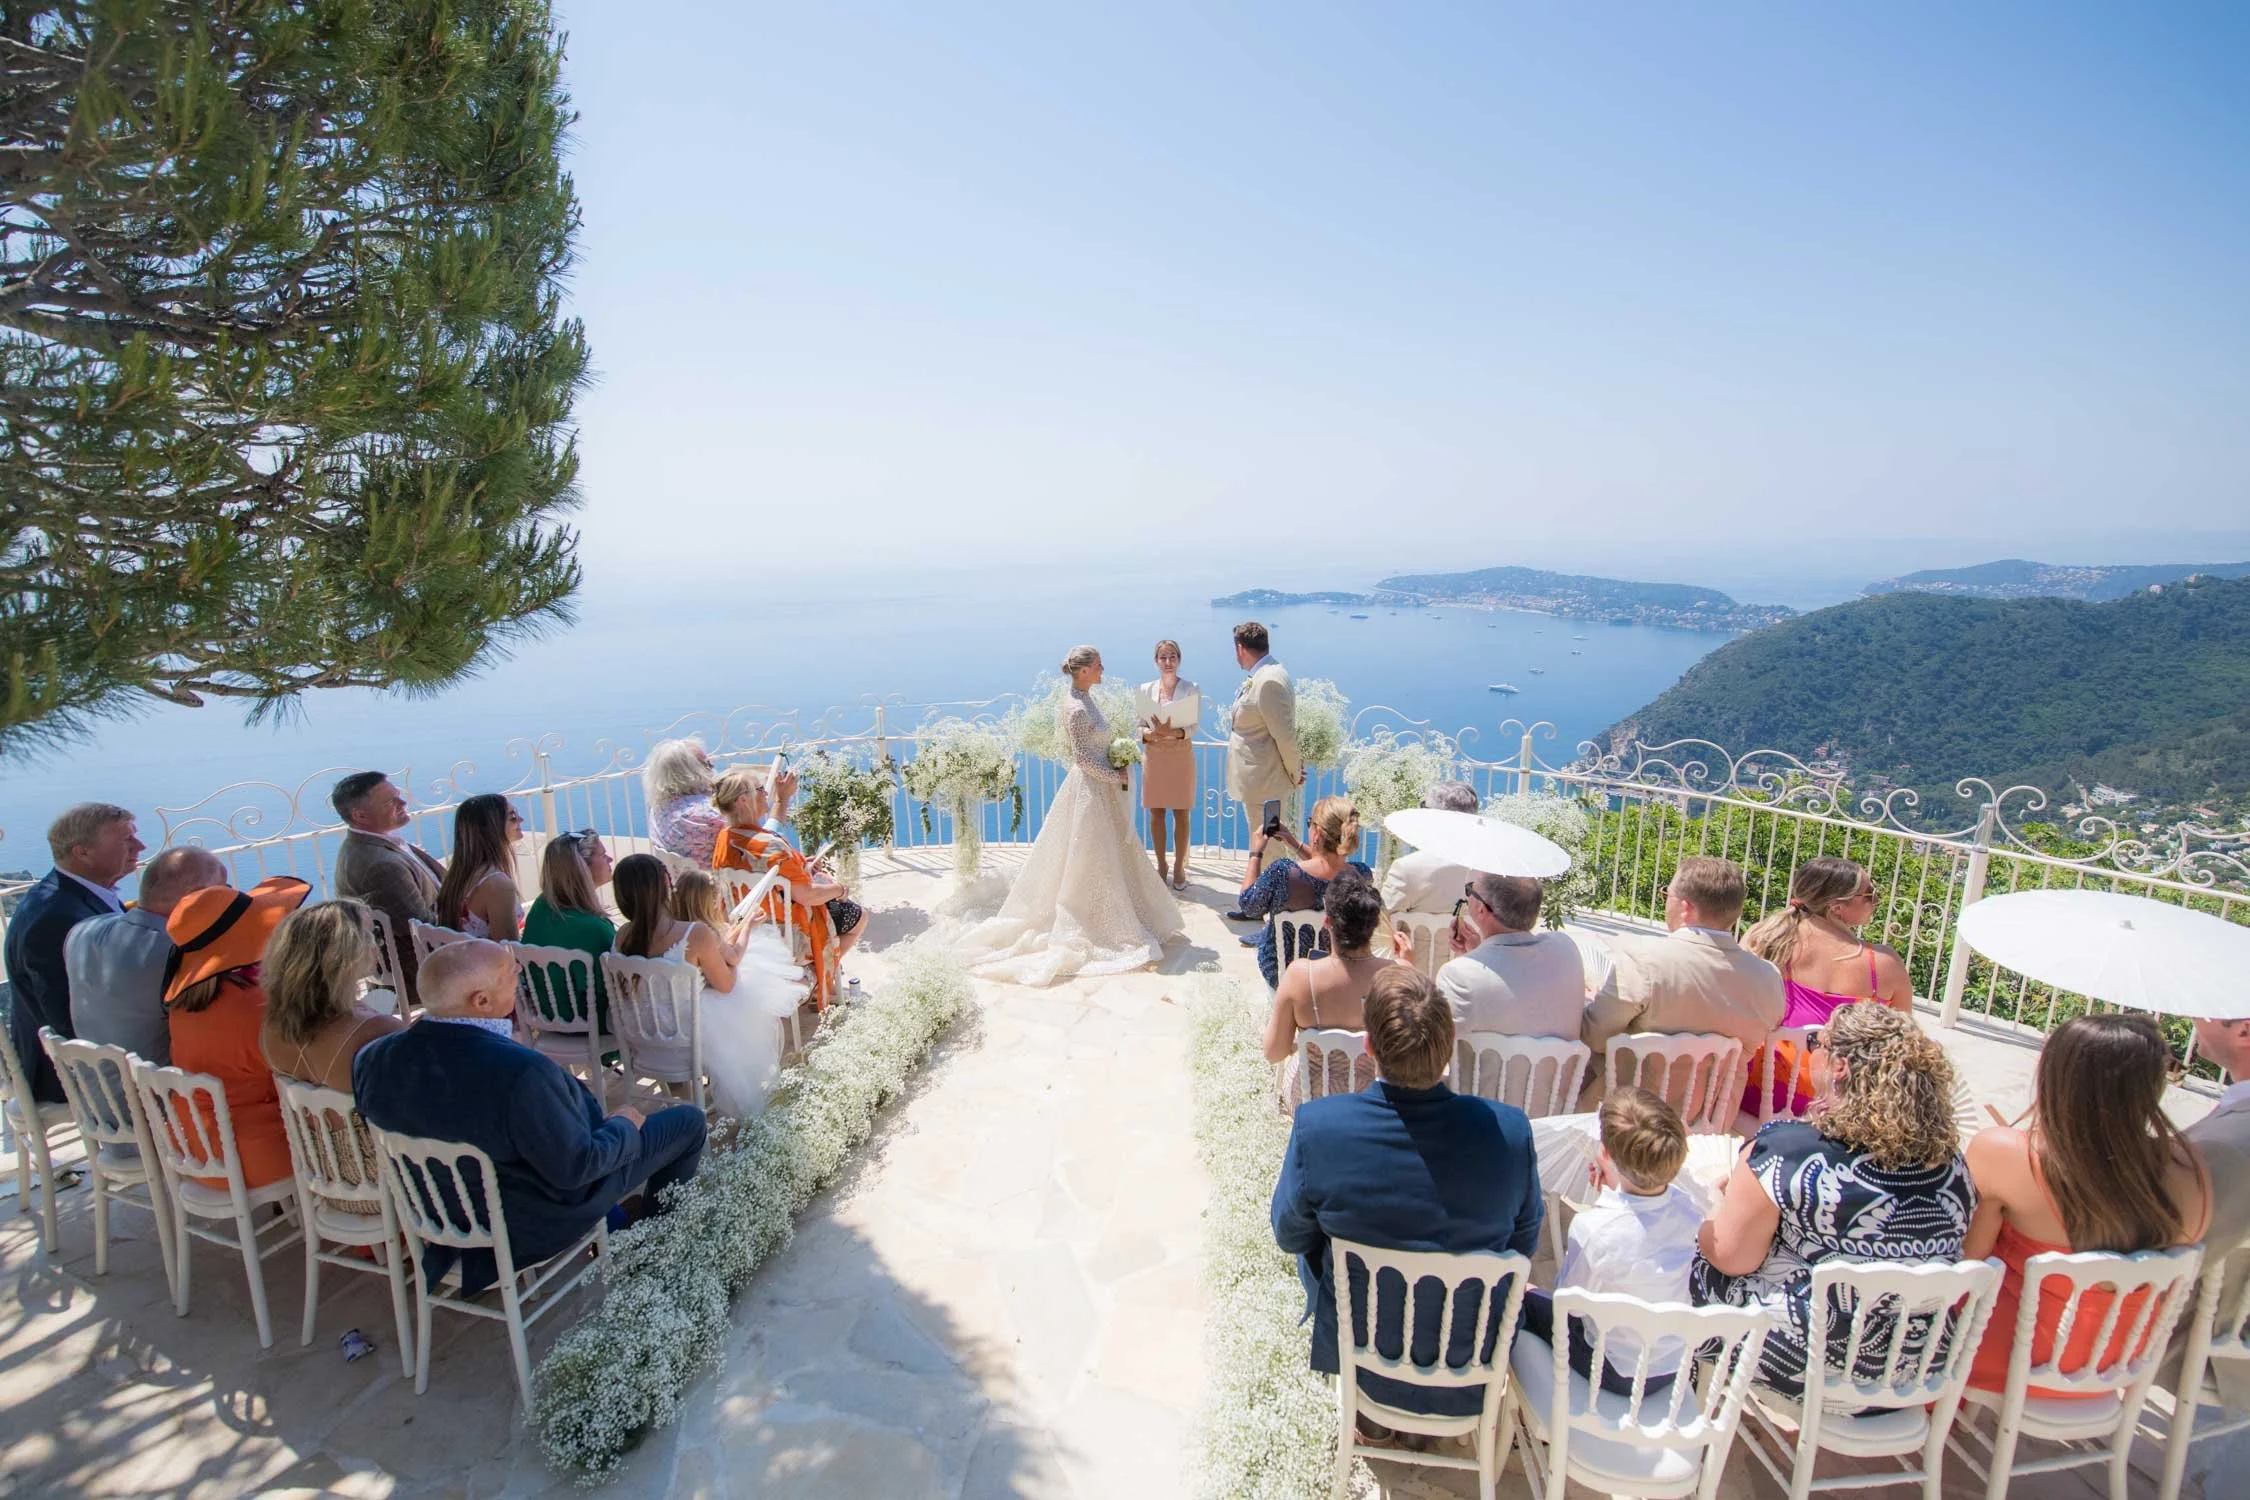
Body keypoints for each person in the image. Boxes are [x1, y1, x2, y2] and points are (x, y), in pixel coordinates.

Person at [351, 939, 707, 1293]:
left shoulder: (372, 1059)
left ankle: (627, 1222)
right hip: (527, 1220)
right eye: (509, 973)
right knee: (688, 1122)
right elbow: (578, 1168)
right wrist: (624, 1125)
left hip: (440, 1217)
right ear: (482, 1001)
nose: (519, 973)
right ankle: (654, 1241)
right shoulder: (520, 1074)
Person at [1271, 967, 1544, 1423]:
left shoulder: (1320, 1126)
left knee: (1314, 1242)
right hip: (1469, 1359)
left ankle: (1373, 1421)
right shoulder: (1510, 1132)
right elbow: (1525, 1243)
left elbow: (1289, 1234)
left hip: (1364, 1356)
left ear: (1370, 1047)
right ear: (1448, 1045)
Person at [1690, 1002, 1976, 1396]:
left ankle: (1673, 1399)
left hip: (1810, 1366)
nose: (1810, 1052)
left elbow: (1731, 1258)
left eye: (1815, 1043)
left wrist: (1701, 1222)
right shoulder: (1953, 1165)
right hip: (1917, 1369)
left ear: (1839, 1066)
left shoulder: (1788, 1150)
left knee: (1682, 1256)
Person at [1961, 1012, 2210, 1397]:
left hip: (2008, 1359)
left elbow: (1967, 1264)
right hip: (2116, 1363)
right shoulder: (2190, 1171)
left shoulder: (2005, 1151)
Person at [949, 646, 1185, 987]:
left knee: (1106, 854)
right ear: (1085, 670)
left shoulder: (1085, 696)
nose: (1104, 668)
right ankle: (1092, 920)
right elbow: (1082, 759)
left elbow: (1095, 748)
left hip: (1099, 788)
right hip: (1089, 790)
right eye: (1099, 664)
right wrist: (1115, 774)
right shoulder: (1075, 707)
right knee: (1090, 856)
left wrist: (1115, 756)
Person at [1518, 1088, 1700, 1396]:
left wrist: (1602, 1207)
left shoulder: (1593, 1228)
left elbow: (1570, 1305)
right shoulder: (1689, 1209)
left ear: (1605, 1153)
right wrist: (1610, 1196)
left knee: (1521, 1294)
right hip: (1670, 1366)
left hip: (1611, 1368)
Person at [613, 855, 803, 1117]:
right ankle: (738, 1082)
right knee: (747, 998)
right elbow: (727, 985)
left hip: (641, 1039)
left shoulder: (621, 936)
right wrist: (731, 962)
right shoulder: (694, 933)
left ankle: (680, 1089)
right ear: (665, 887)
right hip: (685, 1042)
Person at [1580, 856, 1784, 1092]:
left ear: (1685, 908)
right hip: (1710, 1119)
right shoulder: (1768, 978)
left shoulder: (1643, 960)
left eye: (1667, 894)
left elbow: (1593, 1036)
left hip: (1627, 1115)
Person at [259, 899, 407, 1214]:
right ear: (346, 956)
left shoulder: (271, 1027)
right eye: (369, 937)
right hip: (379, 1183)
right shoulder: (374, 1030)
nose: (375, 946)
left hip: (322, 1174)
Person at [164, 876, 311, 1190]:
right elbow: (309, 1070)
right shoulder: (257, 1006)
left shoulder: (182, 1005)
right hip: (252, 1155)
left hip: (193, 1147)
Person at [1739, 857, 1913, 1116]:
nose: (1876, 900)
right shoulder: (1883, 965)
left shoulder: (1763, 939)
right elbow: (1903, 1041)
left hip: (1759, 1091)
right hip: (1837, 1106)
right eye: (1869, 894)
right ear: (1836, 907)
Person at [6, 802, 144, 1102]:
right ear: (82, 852)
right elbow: (66, 1016)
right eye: (126, 839)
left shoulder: (74, 893)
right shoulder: (56, 917)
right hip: (67, 1074)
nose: (141, 846)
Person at [712, 768, 863, 1004]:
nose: (766, 794)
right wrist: (840, 889)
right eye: (761, 790)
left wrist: (802, 869)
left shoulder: (725, 839)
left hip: (746, 928)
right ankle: (817, 975)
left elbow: (770, 873)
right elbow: (808, 895)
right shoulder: (771, 846)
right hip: (789, 935)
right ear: (743, 800)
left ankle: (819, 974)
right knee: (858, 916)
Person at [65, 845, 226, 1067]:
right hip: (159, 1093)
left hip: (95, 1089)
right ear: (196, 897)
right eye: (223, 890)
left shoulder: (82, 931)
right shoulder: (179, 955)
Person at [1263, 868, 1399, 1110]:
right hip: (1372, 1102)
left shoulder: (1300, 976)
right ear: (1375, 924)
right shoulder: (1397, 975)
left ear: (1327, 922)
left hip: (1311, 1100)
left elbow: (1274, 1053)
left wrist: (1304, 1043)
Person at [330, 770, 447, 1001]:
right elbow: (421, 929)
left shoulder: (369, 846)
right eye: (389, 802)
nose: (403, 802)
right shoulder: (380, 865)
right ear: (360, 816)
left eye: (398, 795)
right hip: (418, 972)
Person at [1236, 795, 1371, 988]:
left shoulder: (1282, 872)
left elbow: (1249, 906)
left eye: (1310, 823)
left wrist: (1255, 853)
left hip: (1284, 974)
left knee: (1266, 931)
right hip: (1332, 975)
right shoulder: (1362, 876)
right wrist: (1292, 841)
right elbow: (1328, 863)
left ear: (1316, 835)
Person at [1437, 872, 1585, 1040]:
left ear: (1481, 909)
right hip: (1560, 1066)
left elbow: (1438, 1045)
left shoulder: (1458, 976)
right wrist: (1477, 953)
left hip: (1485, 1068)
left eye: (1470, 889)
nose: (1468, 894)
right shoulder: (1566, 949)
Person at [521, 830, 618, 1032]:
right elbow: (613, 989)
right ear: (583, 868)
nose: (610, 859)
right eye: (603, 854)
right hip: (590, 1025)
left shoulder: (541, 908)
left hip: (546, 1016)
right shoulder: (594, 928)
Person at [644, 737, 797, 865]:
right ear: (691, 773)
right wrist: (781, 801)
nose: (713, 767)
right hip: (723, 892)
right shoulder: (711, 815)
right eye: (707, 764)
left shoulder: (659, 808)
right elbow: (766, 846)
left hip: (680, 891)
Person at [1222, 621, 1301, 867]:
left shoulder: (1268, 681)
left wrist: (1295, 772)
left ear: (1240, 649)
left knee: (1269, 850)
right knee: (1262, 846)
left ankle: (1274, 904)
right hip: (1261, 784)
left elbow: (1285, 736)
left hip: (1265, 784)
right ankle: (1263, 900)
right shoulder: (1268, 673)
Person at [1136, 639, 1200, 892]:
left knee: (1182, 812)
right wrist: (1151, 735)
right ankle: (1161, 865)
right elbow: (1139, 725)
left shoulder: (1191, 688)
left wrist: (1172, 734)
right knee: (1156, 812)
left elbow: (1193, 725)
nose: (1168, 662)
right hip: (1155, 755)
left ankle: (1180, 866)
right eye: (1163, 657)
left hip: (1180, 754)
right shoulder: (1145, 689)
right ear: (1156, 661)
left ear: (1179, 659)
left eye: (1172, 656)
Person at [433, 793, 525, 941]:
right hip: (487, 962)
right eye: (513, 817)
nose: (521, 820)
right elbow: (509, 950)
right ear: (491, 828)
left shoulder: (459, 875)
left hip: (461, 958)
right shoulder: (497, 884)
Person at [1380, 782, 1480, 918]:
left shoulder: (1407, 868)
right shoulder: (1490, 870)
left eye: (1423, 807)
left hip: (1412, 940)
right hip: (1474, 939)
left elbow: (1382, 920)